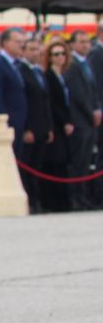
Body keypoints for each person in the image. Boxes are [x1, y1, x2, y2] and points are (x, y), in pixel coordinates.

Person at [63, 32, 100, 210]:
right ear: (72, 44)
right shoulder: (72, 65)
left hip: (90, 120)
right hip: (80, 119)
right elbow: (77, 94)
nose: (86, 46)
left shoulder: (86, 64)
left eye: (87, 42)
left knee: (85, 162)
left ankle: (83, 195)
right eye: (82, 42)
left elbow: (94, 91)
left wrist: (97, 108)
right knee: (77, 162)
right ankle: (75, 197)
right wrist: (91, 112)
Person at [38, 40, 76, 214]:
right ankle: (54, 201)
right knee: (54, 162)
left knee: (62, 162)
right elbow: (53, 103)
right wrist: (64, 122)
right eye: (56, 54)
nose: (60, 57)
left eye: (63, 53)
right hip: (56, 124)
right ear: (49, 57)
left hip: (65, 125)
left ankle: (64, 200)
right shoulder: (48, 76)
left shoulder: (63, 75)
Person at [17, 35, 54, 212]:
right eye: (31, 49)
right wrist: (26, 128)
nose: (35, 52)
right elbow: (23, 103)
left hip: (42, 127)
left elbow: (46, 101)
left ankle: (38, 200)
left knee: (38, 166)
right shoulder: (20, 70)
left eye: (37, 49)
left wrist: (49, 127)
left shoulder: (38, 71)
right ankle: (29, 201)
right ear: (23, 51)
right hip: (30, 128)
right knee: (27, 167)